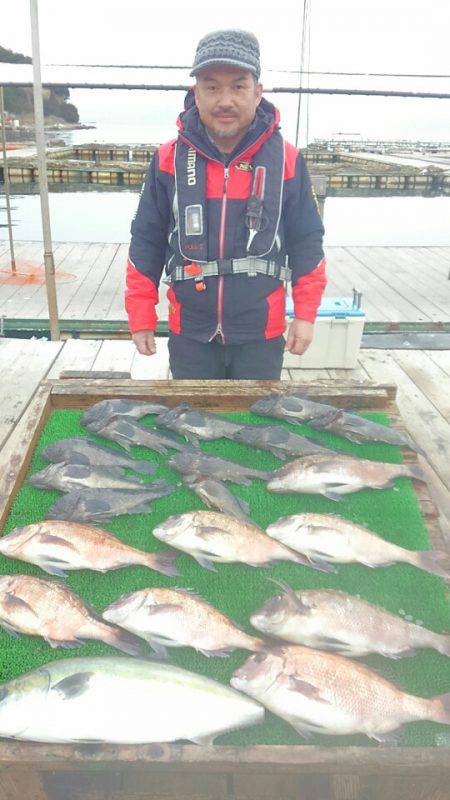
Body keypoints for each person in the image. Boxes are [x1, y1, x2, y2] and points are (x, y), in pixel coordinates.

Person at [126, 29, 327, 379]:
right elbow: (145, 241)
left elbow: (307, 242)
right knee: (191, 413)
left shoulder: (289, 161)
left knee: (259, 415)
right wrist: (141, 314)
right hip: (190, 334)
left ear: (257, 92)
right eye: (212, 87)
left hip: (261, 335)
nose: (225, 101)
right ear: (196, 93)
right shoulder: (167, 160)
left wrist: (305, 314)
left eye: (238, 86)